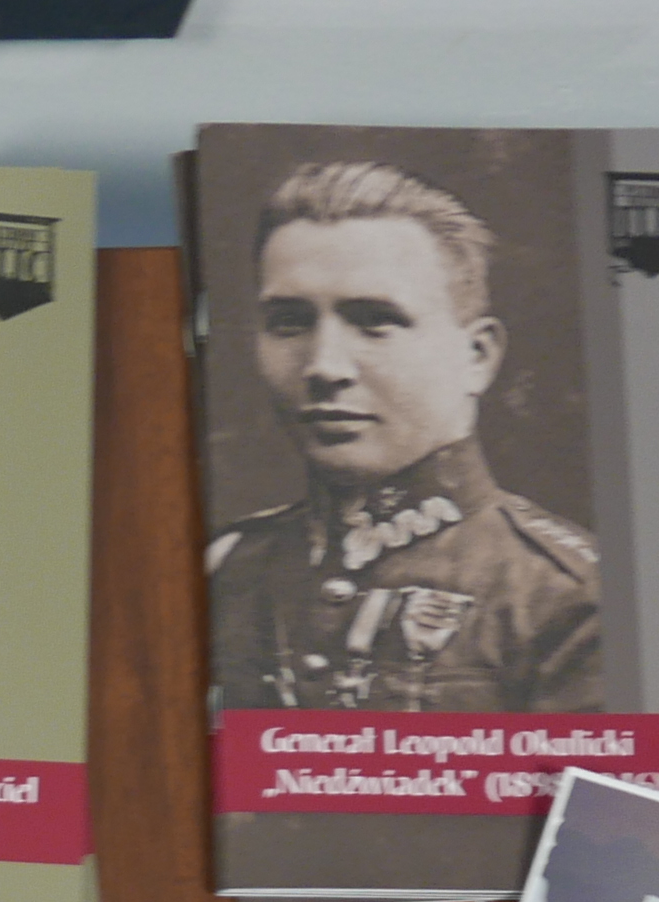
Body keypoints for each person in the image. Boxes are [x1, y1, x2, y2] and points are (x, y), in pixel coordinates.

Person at [206, 160, 602, 715]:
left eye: (375, 320)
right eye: (290, 322)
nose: (324, 365)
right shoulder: (224, 571)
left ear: (477, 356)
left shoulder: (570, 598)